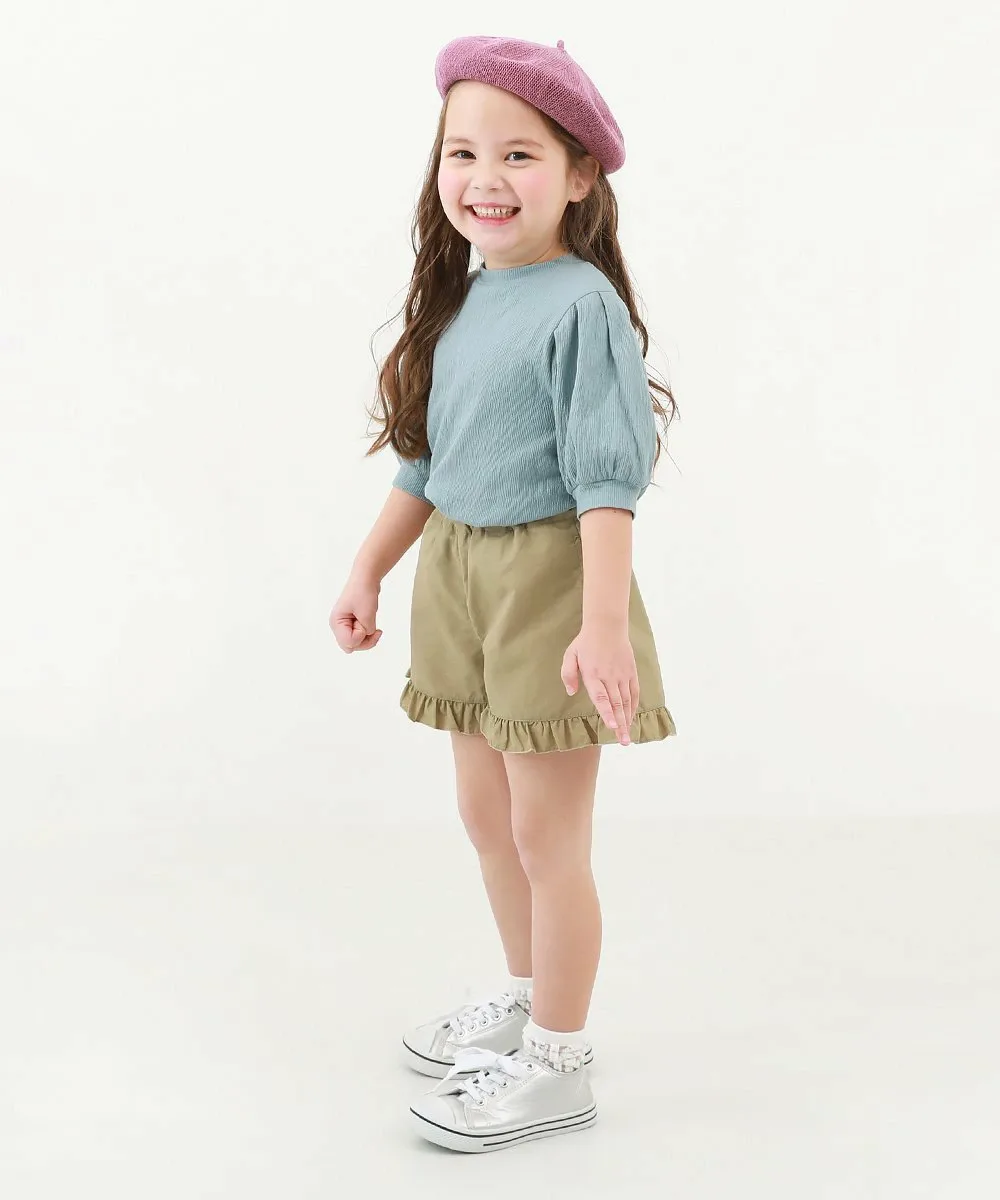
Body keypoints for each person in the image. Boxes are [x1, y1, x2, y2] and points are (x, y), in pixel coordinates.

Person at [330, 34, 678, 1154]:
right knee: (486, 818)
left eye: (519, 154)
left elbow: (607, 480)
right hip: (457, 575)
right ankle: (529, 999)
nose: (485, 178)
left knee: (546, 834)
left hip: (547, 584)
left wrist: (602, 624)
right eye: (462, 152)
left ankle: (559, 1063)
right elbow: (426, 464)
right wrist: (369, 566)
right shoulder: (468, 299)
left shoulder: (582, 306)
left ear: (580, 176)